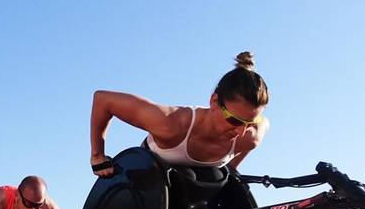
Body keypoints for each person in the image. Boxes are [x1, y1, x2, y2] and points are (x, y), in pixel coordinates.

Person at [90, 51, 270, 175]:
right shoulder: (170, 123)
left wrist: (231, 168)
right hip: (148, 186)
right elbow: (103, 100)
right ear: (214, 101)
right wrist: (98, 156)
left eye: (250, 123)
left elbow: (265, 124)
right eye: (235, 121)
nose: (241, 132)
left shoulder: (249, 138)